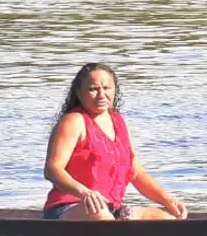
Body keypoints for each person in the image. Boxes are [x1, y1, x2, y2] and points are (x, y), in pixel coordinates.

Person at [43, 62, 187, 221]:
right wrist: (84, 193)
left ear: (115, 90)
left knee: (168, 218)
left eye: (107, 88)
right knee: (101, 214)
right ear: (79, 93)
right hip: (69, 207)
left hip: (113, 208)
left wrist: (167, 200)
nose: (101, 95)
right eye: (93, 89)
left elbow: (136, 173)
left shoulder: (119, 122)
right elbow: (52, 170)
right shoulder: (73, 121)